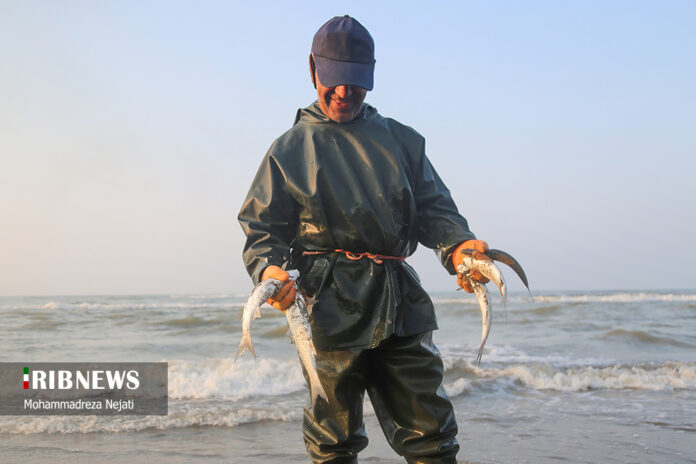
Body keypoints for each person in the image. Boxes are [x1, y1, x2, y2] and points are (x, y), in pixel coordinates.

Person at [238, 15, 490, 464]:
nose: (342, 92)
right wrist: (270, 270)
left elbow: (436, 212)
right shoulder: (289, 149)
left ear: (371, 76)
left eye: (355, 81)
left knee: (432, 435)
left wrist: (459, 248)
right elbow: (262, 231)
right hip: (325, 306)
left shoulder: (403, 142)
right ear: (313, 71)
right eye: (333, 80)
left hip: (401, 306)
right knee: (332, 442)